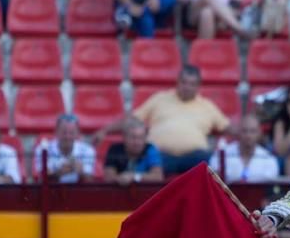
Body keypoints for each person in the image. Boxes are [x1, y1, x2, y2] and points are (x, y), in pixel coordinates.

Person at [97, 66, 230, 175]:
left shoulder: (207, 105)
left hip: (195, 158)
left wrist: (247, 132)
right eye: (184, 82)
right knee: (149, 162)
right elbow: (133, 120)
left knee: (213, 163)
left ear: (198, 86)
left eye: (192, 83)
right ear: (177, 82)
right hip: (161, 156)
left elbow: (226, 127)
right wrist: (106, 130)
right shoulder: (159, 98)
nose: (187, 87)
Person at [209, 114, 280, 182]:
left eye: (253, 131)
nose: (248, 135)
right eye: (244, 131)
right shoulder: (220, 156)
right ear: (238, 132)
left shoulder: (269, 159)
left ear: (259, 133)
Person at [35, 115, 96, 183]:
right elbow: (41, 181)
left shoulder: (87, 150)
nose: (67, 136)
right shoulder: (42, 150)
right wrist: (58, 173)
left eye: (71, 133)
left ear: (78, 133)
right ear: (56, 132)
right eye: (64, 132)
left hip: (78, 191)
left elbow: (90, 182)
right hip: (53, 191)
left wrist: (81, 173)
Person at [103, 118, 164, 185]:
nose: (137, 142)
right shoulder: (114, 150)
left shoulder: (151, 149)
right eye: (133, 137)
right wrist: (120, 179)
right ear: (124, 137)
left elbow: (158, 176)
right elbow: (108, 177)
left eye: (141, 137)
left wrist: (134, 177)